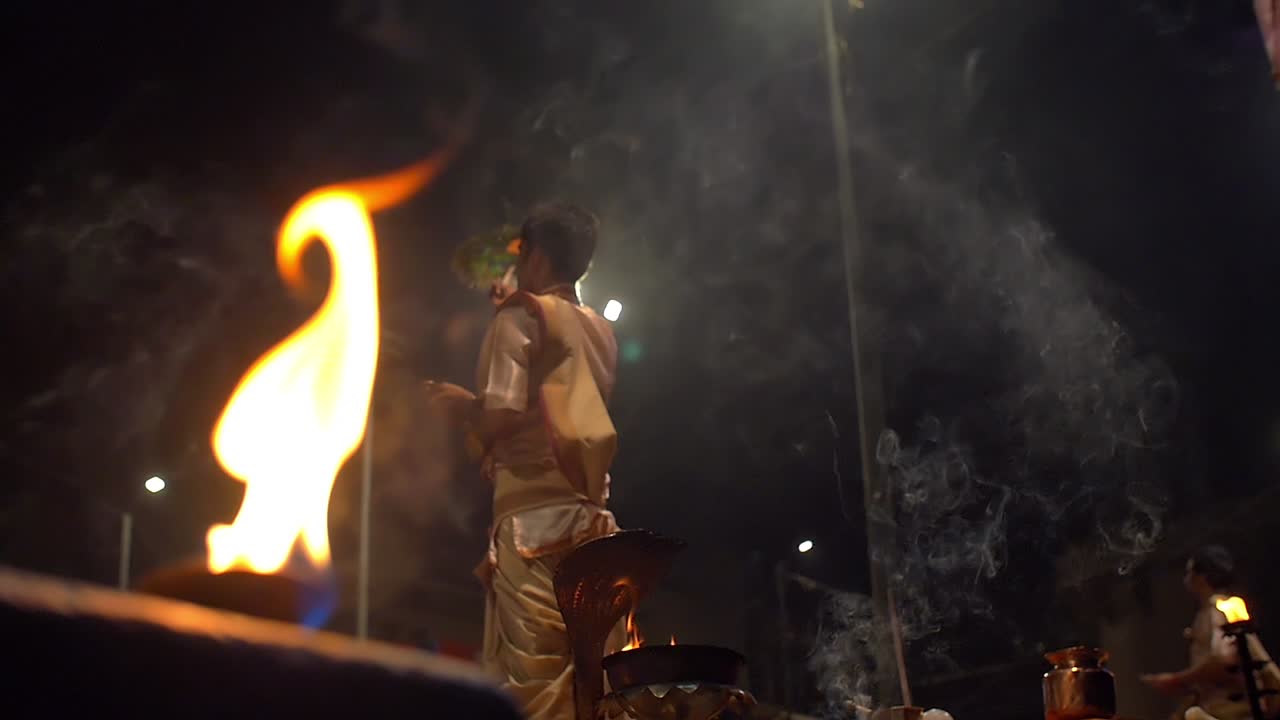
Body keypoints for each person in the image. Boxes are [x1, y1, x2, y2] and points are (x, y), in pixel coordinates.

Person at [426, 202, 622, 719]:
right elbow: (557, 397)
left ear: (533, 256)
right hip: (592, 524)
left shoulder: (519, 316)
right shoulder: (601, 330)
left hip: (532, 525)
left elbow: (502, 412)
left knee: (536, 684)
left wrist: (455, 404)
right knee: (590, 681)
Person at [1142, 545, 1280, 720]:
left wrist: (1176, 679)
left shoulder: (1217, 610)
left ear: (1202, 576)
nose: (1186, 578)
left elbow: (1223, 658)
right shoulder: (1219, 608)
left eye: (1189, 572)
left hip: (1233, 711)